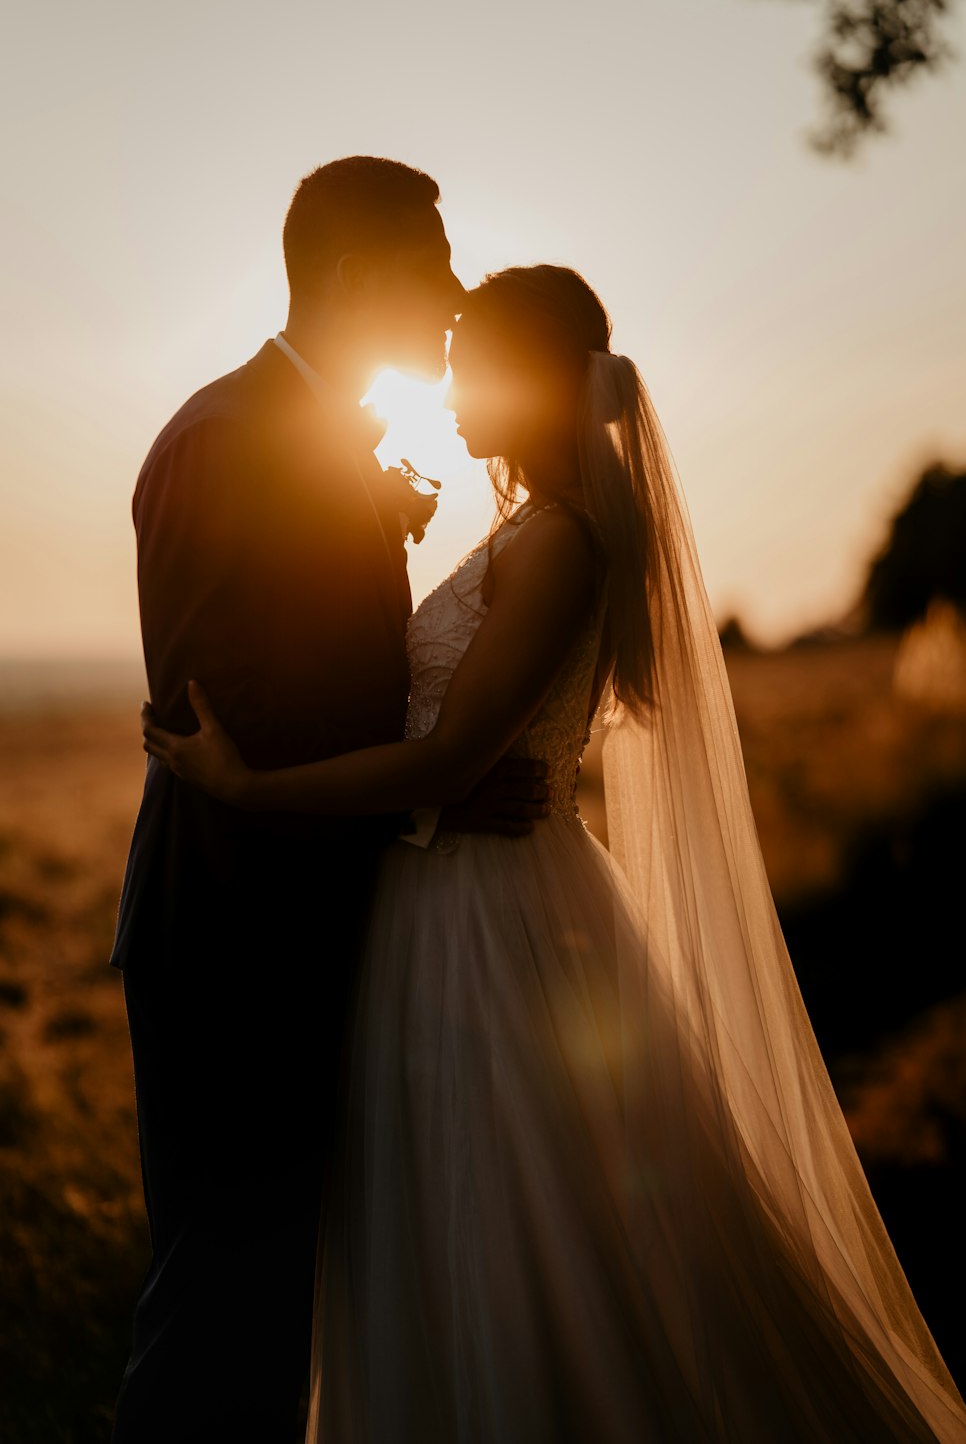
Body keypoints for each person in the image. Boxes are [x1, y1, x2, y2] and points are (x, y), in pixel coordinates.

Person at [142, 265, 966, 1442]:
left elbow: (444, 763)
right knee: (439, 1223)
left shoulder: (563, 545)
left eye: (465, 360)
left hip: (491, 917)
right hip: (440, 898)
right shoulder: (528, 530)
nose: (443, 382)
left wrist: (247, 785)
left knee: (505, 1214)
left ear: (530, 379)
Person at [111, 159, 548, 1444]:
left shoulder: (309, 436)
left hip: (306, 934)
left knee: (280, 1314)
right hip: (232, 942)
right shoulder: (223, 442)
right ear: (359, 279)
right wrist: (435, 783)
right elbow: (218, 717)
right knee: (219, 1321)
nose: (459, 292)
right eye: (437, 266)